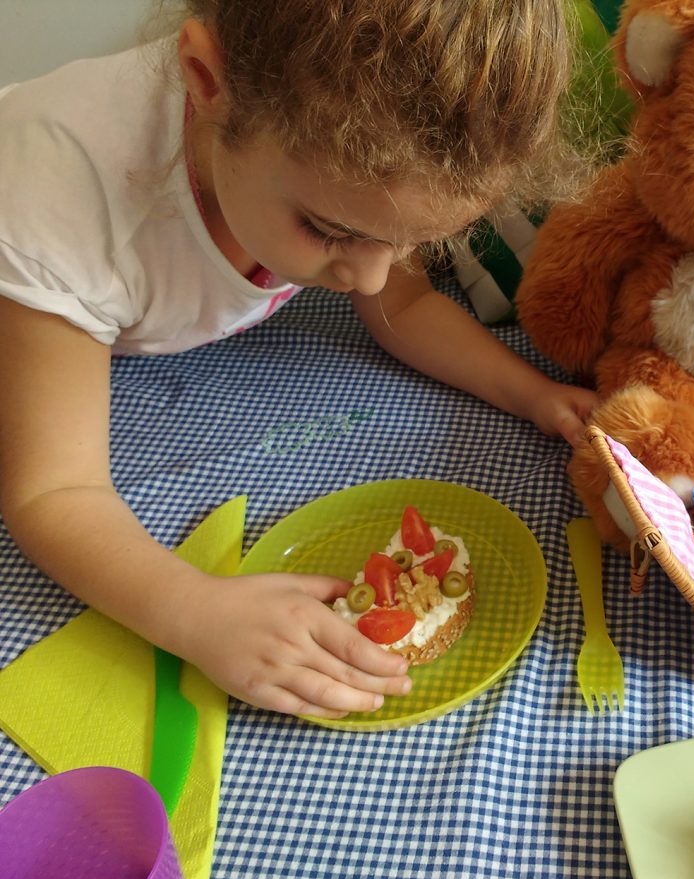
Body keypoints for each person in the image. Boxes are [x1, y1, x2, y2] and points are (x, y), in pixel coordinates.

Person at [0, 0, 597, 719]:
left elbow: (400, 309)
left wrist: (536, 396)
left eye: (418, 242)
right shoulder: (51, 195)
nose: (373, 280)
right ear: (205, 81)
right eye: (327, 230)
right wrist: (195, 612)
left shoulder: (346, 151)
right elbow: (52, 494)